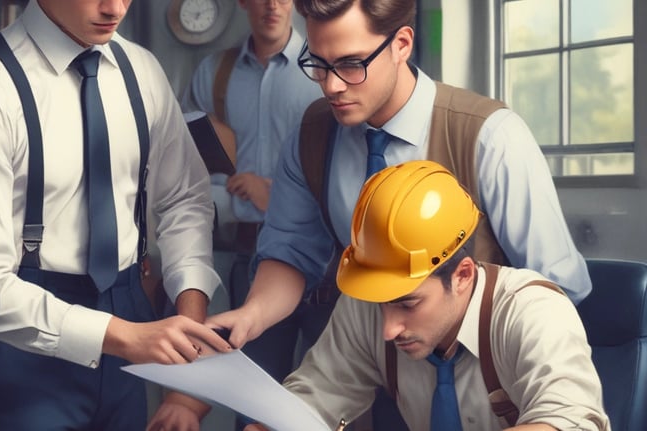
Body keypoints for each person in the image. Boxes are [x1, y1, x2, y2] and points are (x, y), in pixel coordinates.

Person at [207, 0, 592, 427]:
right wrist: (251, 316)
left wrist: (498, 363)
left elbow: (552, 291)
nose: (331, 85)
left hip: (488, 387)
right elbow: (290, 250)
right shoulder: (312, 134)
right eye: (318, 63)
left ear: (401, 44)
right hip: (381, 369)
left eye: (351, 64)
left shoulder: (491, 137)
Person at [0, 1, 231, 430]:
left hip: (132, 322)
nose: (115, 8)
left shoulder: (142, 71)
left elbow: (184, 197)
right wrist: (127, 337)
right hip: (26, 353)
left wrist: (188, 317)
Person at [246, 160, 610, 431]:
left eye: (408, 303)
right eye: (381, 301)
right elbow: (316, 395)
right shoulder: (364, 307)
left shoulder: (533, 311)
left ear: (463, 275)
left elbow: (568, 419)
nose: (388, 329)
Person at [153, 0, 321, 429]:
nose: (273, 5)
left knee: (332, 392)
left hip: (324, 267)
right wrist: (237, 196)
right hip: (250, 262)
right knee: (253, 399)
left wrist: (275, 194)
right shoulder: (214, 73)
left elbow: (345, 170)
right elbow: (188, 172)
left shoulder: (322, 70)